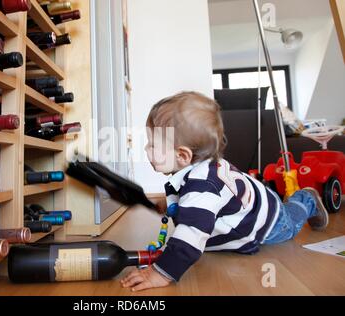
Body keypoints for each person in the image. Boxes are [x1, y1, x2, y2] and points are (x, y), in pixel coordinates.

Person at [120, 91, 329, 292]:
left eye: (153, 145)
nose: (146, 149)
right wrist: (170, 205)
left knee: (291, 222)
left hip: (270, 220)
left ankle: (306, 199)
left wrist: (161, 273)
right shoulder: (198, 170)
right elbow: (191, 199)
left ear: (183, 155)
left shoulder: (204, 189)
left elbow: (190, 236)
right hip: (252, 199)